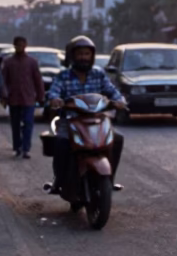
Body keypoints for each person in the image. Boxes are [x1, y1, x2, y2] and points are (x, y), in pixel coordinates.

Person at [46, 35, 128, 190]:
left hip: (97, 120)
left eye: (87, 54)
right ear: (72, 56)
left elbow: (112, 91)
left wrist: (119, 101)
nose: (83, 57)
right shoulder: (63, 76)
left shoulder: (99, 74)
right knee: (61, 143)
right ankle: (59, 180)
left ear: (92, 56)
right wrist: (55, 99)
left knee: (117, 139)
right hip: (70, 121)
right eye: (80, 54)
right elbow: (53, 92)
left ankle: (109, 179)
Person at [1, 36, 45, 159]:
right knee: (15, 125)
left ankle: (26, 148)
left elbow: (38, 80)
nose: (20, 47)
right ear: (14, 46)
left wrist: (41, 95)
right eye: (17, 45)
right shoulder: (9, 62)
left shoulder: (32, 62)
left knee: (28, 123)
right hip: (13, 98)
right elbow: (3, 80)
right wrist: (4, 95)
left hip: (28, 98)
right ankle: (17, 147)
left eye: (22, 45)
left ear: (26, 45)